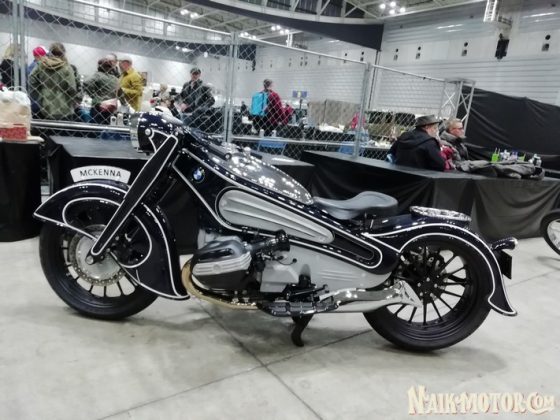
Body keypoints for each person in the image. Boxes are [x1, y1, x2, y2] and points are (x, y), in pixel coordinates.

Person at [29, 42, 77, 120]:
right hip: (64, 107)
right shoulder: (67, 68)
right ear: (63, 53)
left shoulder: (41, 65)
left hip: (45, 106)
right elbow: (72, 87)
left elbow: (32, 78)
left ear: (50, 52)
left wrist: (38, 95)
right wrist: (73, 99)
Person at [83, 58, 119, 125]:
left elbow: (86, 82)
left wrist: (93, 96)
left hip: (99, 106)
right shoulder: (115, 79)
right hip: (111, 107)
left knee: (95, 126)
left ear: (99, 66)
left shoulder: (98, 75)